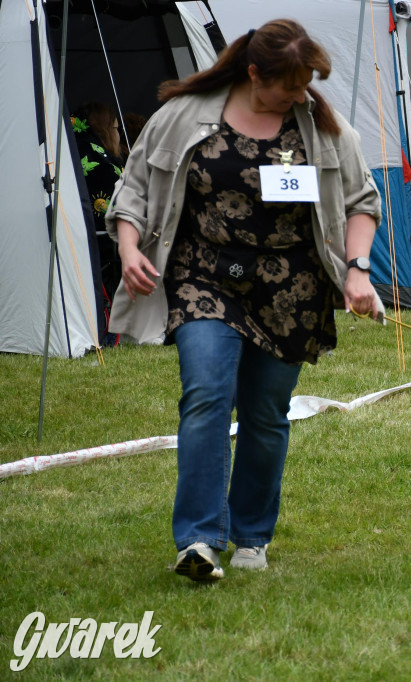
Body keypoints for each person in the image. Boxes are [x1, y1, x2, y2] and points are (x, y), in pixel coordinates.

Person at [105, 19, 381, 580]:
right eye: (291, 85)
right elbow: (132, 188)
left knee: (264, 413)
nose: (302, 95)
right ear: (255, 74)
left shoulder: (322, 129)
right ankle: (199, 541)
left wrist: (357, 271)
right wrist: (130, 246)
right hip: (203, 276)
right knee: (207, 393)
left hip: (291, 289)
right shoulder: (184, 115)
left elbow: (360, 200)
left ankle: (251, 535)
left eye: (308, 84)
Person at [72, 101, 125, 336]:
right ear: (105, 130)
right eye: (115, 128)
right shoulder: (105, 164)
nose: (119, 134)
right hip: (108, 239)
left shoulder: (73, 148)